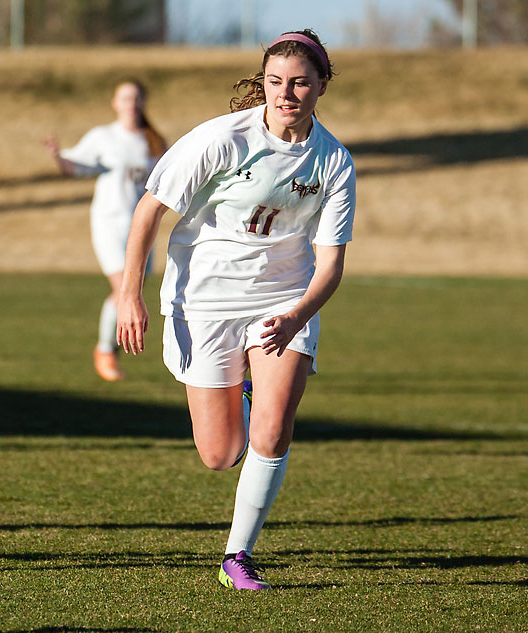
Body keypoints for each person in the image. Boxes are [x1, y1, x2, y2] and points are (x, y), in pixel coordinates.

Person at [117, 30, 355, 590]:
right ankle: (244, 396)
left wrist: (297, 316)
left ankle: (238, 556)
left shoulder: (334, 161)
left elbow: (330, 265)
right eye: (275, 82)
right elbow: (149, 210)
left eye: (299, 82)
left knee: (275, 430)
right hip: (205, 298)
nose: (286, 93)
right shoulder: (222, 139)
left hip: (283, 300)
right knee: (220, 454)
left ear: (322, 85)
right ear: (263, 83)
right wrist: (130, 294)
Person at [44, 80, 166, 382]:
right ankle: (105, 351)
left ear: (143, 102)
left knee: (132, 291)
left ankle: (111, 349)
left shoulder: (154, 142)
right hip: (110, 224)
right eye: (125, 97)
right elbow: (76, 166)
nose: (131, 103)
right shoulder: (104, 137)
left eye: (136, 97)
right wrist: (58, 157)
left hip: (143, 228)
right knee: (121, 289)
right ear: (115, 102)